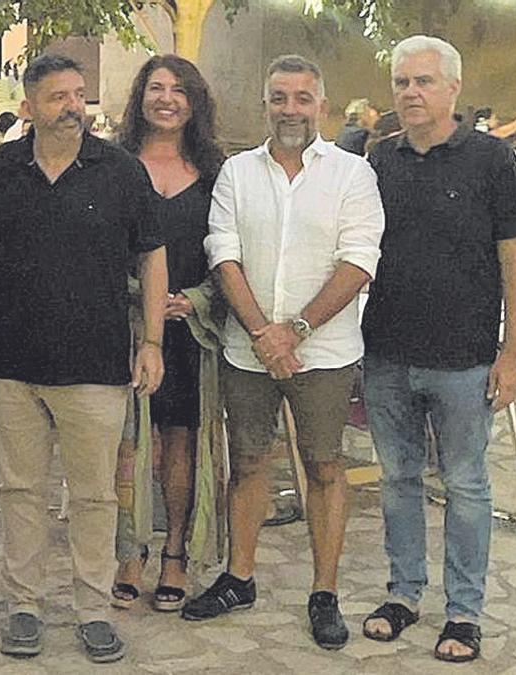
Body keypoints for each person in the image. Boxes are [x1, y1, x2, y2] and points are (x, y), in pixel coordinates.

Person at [0, 54, 167, 664]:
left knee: (94, 497)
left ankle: (93, 609)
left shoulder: (120, 171)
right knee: (19, 490)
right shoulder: (1, 168)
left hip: (96, 364)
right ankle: (24, 606)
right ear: (29, 106)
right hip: (15, 363)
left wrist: (153, 340)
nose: (72, 106)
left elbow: (152, 258)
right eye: (58, 96)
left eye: (78, 94)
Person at [187, 55, 384, 652]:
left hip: (323, 353)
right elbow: (223, 252)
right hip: (249, 351)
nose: (290, 109)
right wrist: (261, 333)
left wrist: (292, 330)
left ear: (320, 105)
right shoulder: (237, 174)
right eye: (279, 97)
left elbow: (359, 261)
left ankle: (324, 591)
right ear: (265, 102)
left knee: (324, 466)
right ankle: (239, 576)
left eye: (302, 98)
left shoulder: (352, 174)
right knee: (247, 462)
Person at [360, 35, 516, 663]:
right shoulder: (378, 161)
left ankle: (463, 612)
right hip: (384, 354)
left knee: (466, 485)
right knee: (398, 478)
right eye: (403, 82)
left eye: (424, 81)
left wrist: (512, 354)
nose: (411, 92)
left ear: (454, 89)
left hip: (464, 360)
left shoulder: (492, 161)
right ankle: (404, 593)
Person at [111, 54, 228, 615]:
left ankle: (176, 553)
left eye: (178, 89)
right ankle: (128, 551)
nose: (166, 98)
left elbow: (232, 250)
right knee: (128, 444)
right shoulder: (112, 164)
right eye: (155, 87)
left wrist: (198, 299)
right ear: (140, 99)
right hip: (125, 328)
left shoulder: (216, 172)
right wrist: (141, 300)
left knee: (179, 441)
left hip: (188, 330)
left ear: (194, 101)